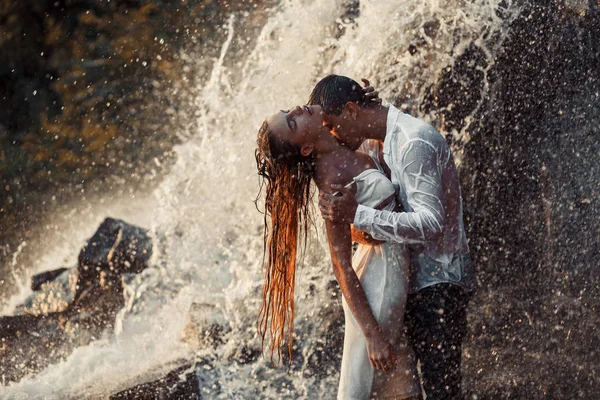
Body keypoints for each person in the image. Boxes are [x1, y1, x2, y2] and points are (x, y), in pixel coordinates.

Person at [312, 75, 473, 400]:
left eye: (332, 125)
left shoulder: (413, 141)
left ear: (352, 111)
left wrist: (357, 215)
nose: (332, 134)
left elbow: (431, 222)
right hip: (413, 283)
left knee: (441, 393)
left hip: (438, 285)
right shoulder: (383, 141)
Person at [255, 99, 422, 399]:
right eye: (291, 123)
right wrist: (372, 335)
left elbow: (380, 132)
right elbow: (340, 264)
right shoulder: (332, 182)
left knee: (400, 389)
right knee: (364, 387)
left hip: (391, 273)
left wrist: (372, 102)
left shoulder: (340, 139)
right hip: (378, 289)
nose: (295, 109)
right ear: (305, 149)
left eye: (286, 112)